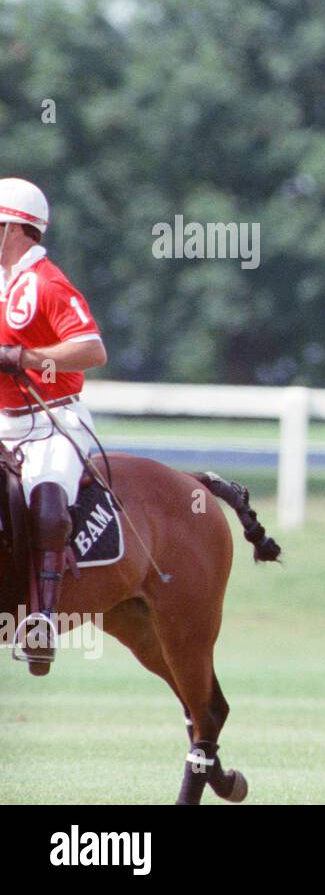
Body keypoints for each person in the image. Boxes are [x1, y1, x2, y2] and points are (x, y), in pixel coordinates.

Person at [0, 178, 109, 670]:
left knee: (47, 504)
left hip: (50, 421)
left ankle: (41, 623)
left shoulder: (45, 284)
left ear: (16, 230)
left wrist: (23, 356)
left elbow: (91, 349)